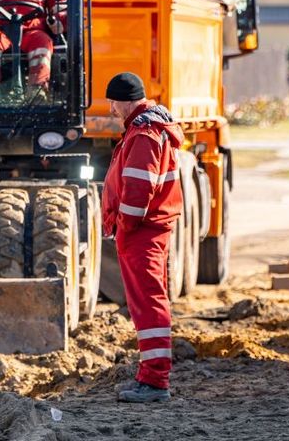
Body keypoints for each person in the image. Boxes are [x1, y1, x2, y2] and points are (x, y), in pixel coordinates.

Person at [100, 71, 185, 403]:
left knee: (148, 303)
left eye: (112, 103)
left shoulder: (145, 135)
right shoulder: (146, 130)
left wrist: (124, 226)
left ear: (125, 101)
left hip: (142, 233)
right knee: (148, 302)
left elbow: (137, 191)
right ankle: (151, 377)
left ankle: (154, 381)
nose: (110, 111)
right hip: (145, 231)